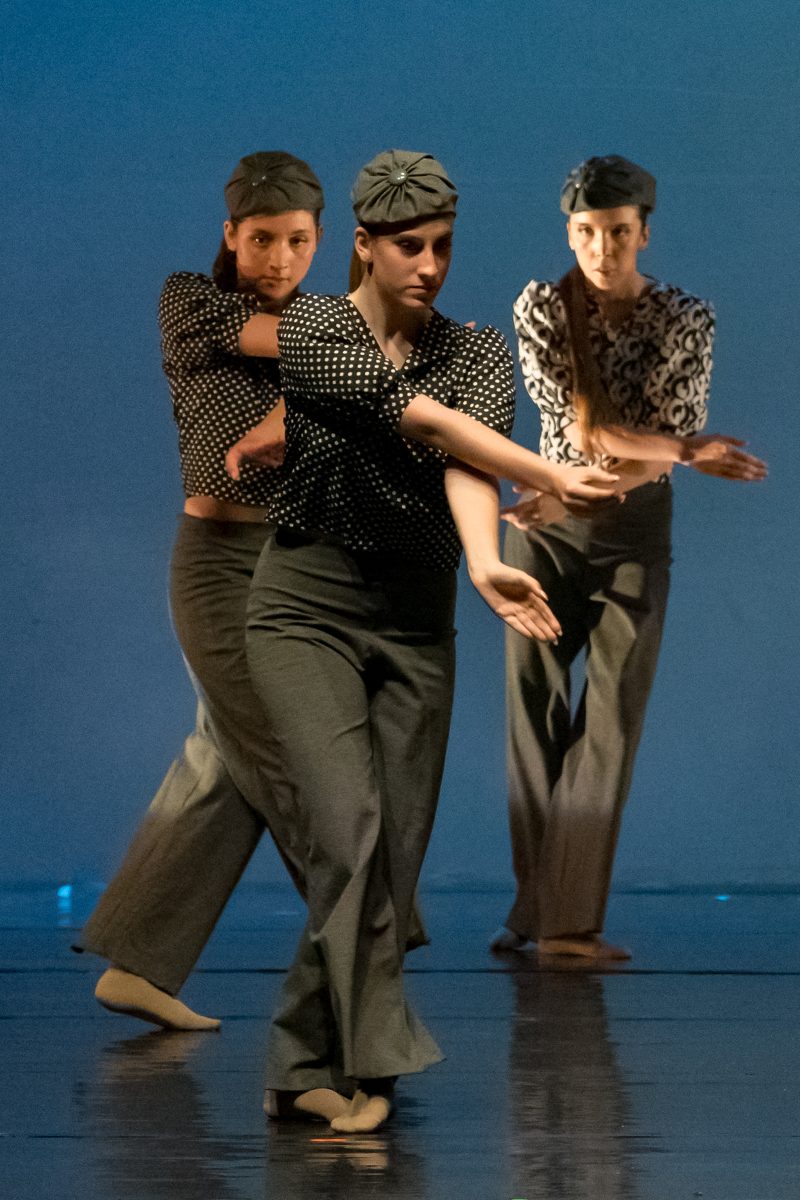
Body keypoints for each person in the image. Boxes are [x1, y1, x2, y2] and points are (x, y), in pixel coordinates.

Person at [233, 149, 622, 1132]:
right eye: (409, 246)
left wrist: (484, 559)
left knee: (390, 856)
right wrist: (550, 470)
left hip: (415, 619)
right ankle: (367, 1065)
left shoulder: (475, 349)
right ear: (364, 245)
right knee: (349, 825)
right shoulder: (315, 329)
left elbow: (461, 468)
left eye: (443, 245)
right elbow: (423, 422)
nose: (431, 265)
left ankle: (299, 1065)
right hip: (305, 606)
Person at [492, 155, 767, 960]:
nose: (601, 248)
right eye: (585, 231)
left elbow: (651, 448)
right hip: (544, 525)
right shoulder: (542, 307)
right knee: (532, 712)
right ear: (568, 233)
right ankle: (538, 911)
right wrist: (684, 451)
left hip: (631, 527)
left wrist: (656, 458)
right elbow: (588, 430)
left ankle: (564, 923)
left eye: (618, 232)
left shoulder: (685, 317)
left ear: (644, 232)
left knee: (610, 719)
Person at [74, 152, 325, 1032]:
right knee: (287, 750)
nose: (280, 258)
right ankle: (371, 931)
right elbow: (301, 347)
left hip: (297, 567)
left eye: (299, 241)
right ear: (231, 235)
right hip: (216, 564)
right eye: (263, 239)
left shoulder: (330, 328)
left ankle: (138, 964)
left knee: (222, 763)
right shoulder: (192, 301)